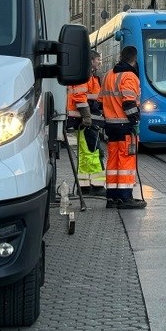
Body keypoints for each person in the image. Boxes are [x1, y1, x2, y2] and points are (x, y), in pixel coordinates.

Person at [101, 45, 147, 209]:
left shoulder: (108, 75)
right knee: (126, 161)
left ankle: (112, 198)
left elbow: (101, 102)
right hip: (125, 126)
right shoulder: (130, 77)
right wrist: (135, 122)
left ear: (121, 56)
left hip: (110, 126)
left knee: (113, 161)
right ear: (134, 59)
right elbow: (129, 103)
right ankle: (125, 197)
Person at [65, 50, 106, 196]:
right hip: (85, 121)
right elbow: (79, 97)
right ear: (91, 61)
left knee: (85, 153)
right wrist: (87, 117)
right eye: (98, 60)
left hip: (83, 120)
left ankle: (84, 186)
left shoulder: (89, 76)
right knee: (93, 152)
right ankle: (96, 186)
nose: (100, 62)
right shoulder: (85, 76)